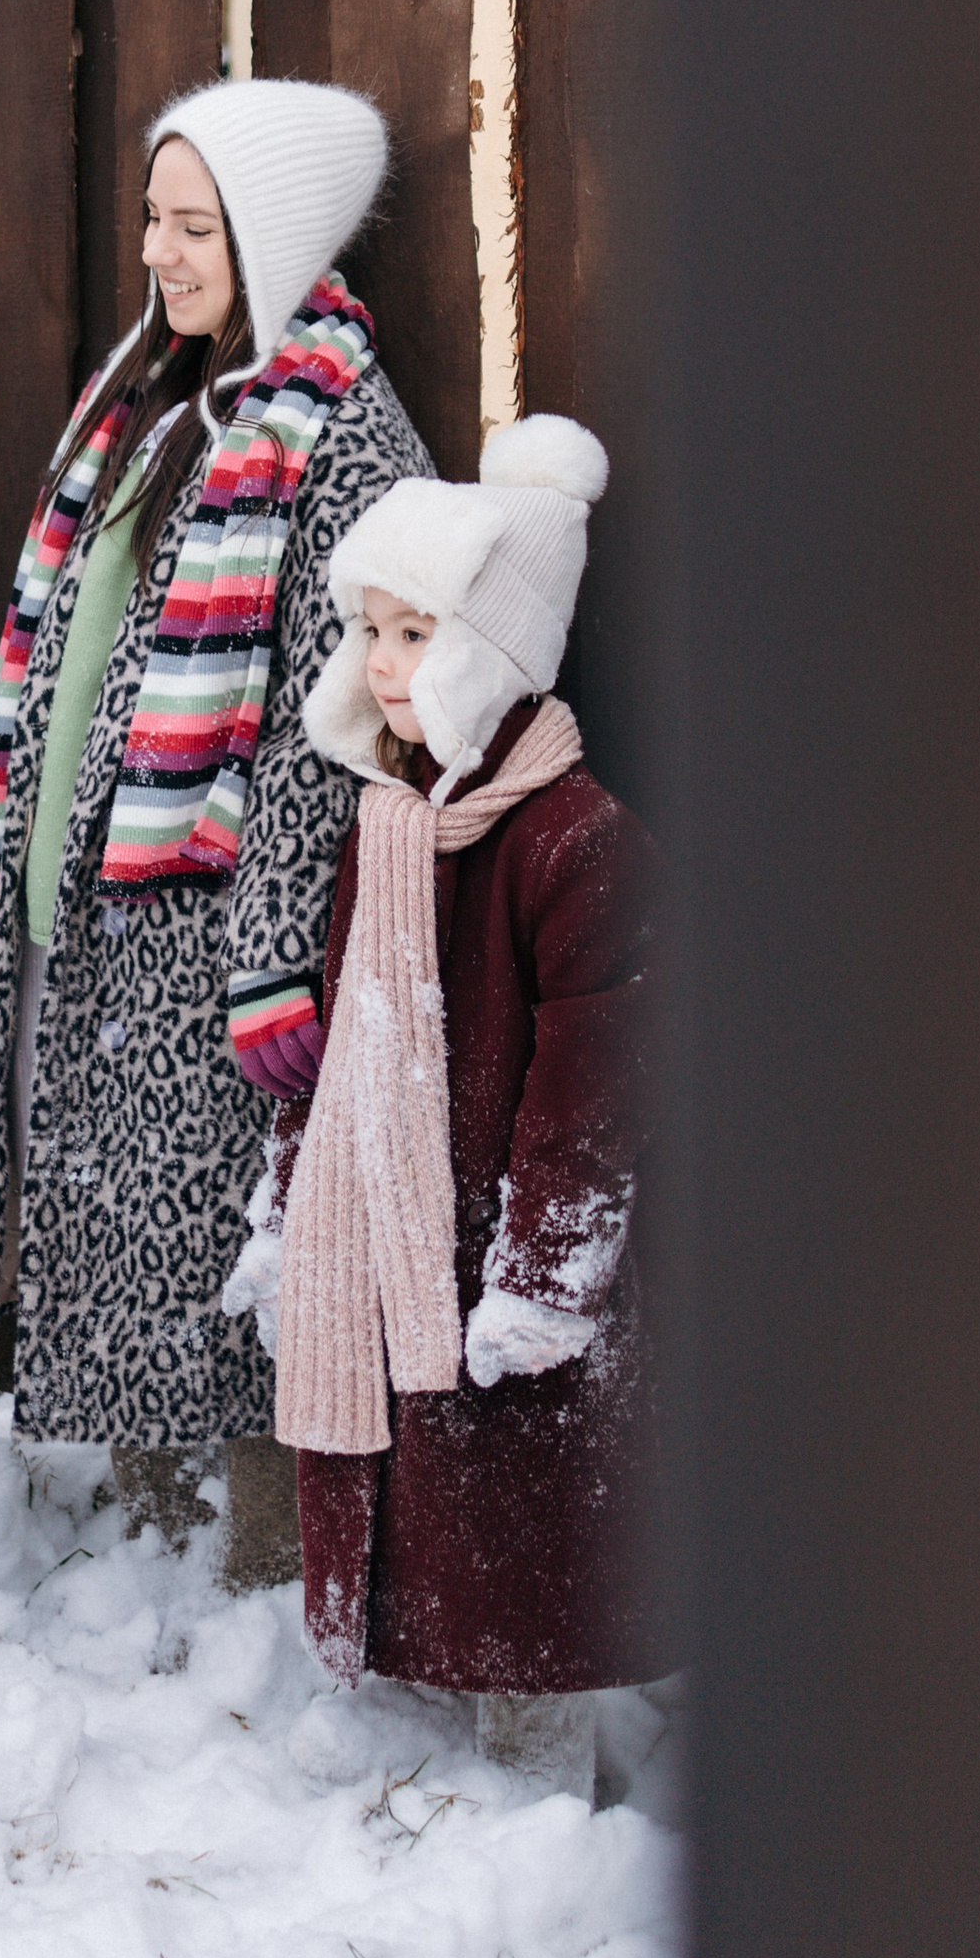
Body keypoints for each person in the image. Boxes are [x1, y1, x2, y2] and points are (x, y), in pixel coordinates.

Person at [0, 78, 430, 1588]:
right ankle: (152, 1528)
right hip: (89, 899)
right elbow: (62, 618)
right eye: (153, 215)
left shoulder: (341, 437)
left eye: (195, 224)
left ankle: (257, 1555)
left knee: (213, 1248)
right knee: (113, 1215)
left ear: (271, 233)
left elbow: (320, 729)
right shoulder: (149, 396)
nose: (159, 249)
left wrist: (275, 947)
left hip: (206, 919)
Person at [225, 414, 666, 1800]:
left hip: (509, 1278)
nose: (383, 666)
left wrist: (541, 1278)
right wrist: (289, 1208)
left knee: (524, 1553)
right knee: (437, 1529)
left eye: (417, 636)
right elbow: (356, 1029)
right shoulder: (397, 820)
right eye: (372, 634)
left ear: (495, 648)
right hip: (401, 1248)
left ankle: (539, 1794)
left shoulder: (579, 845)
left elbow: (592, 1087)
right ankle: (434, 1757)